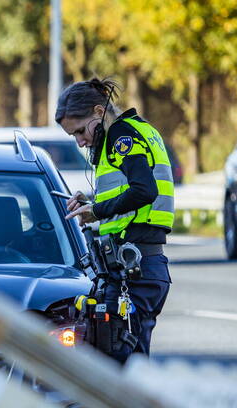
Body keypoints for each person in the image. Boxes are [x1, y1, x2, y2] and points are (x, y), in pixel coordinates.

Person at [56, 78, 173, 363]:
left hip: (135, 269)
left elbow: (144, 190)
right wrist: (93, 200)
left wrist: (96, 212)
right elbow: (128, 190)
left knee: (120, 365)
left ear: (99, 111)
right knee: (128, 361)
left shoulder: (122, 136)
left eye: (81, 131)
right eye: (74, 136)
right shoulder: (138, 129)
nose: (81, 141)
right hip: (142, 267)